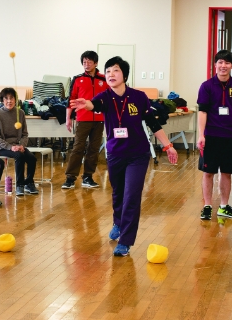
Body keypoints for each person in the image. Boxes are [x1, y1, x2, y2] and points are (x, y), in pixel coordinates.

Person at [71, 56, 178, 257]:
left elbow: (153, 123)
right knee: (118, 193)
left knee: (131, 196)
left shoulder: (139, 97)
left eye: (116, 70)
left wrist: (168, 146)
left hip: (138, 155)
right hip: (115, 154)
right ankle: (118, 223)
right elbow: (94, 105)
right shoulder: (104, 97)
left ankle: (126, 241)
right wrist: (87, 104)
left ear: (125, 75)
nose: (111, 74)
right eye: (108, 71)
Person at [197, 50, 232, 220]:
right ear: (215, 64)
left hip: (231, 137)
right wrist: (201, 135)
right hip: (211, 137)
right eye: (220, 62)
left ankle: (223, 206)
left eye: (227, 63)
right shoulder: (206, 86)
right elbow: (203, 112)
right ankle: (207, 206)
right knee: (208, 173)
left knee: (226, 173)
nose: (223, 66)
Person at [62, 50, 109, 189]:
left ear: (96, 63)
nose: (86, 64)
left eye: (89, 61)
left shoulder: (104, 79)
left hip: (99, 118)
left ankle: (88, 177)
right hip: (83, 118)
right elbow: (71, 99)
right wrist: (68, 118)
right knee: (78, 147)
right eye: (84, 62)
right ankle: (70, 178)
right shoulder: (77, 79)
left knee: (94, 149)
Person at [0, 87, 38, 196]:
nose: (9, 101)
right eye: (6, 98)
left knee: (32, 158)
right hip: (2, 147)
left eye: (11, 98)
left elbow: (25, 134)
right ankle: (19, 185)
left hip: (18, 146)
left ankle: (29, 183)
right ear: (2, 100)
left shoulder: (20, 113)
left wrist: (22, 145)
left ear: (15, 100)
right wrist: (10, 147)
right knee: (19, 156)